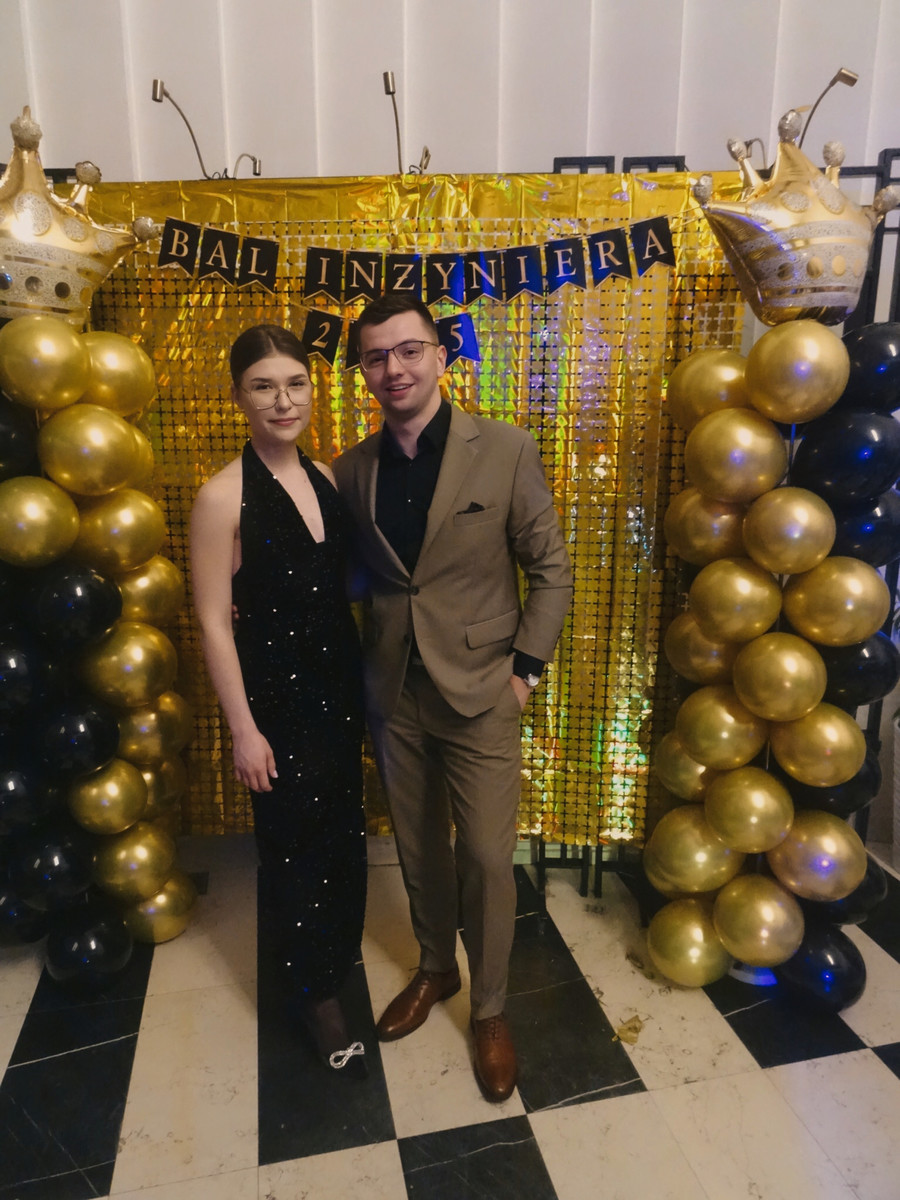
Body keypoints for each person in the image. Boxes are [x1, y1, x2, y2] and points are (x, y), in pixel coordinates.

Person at [334, 293, 572, 1101]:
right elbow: (359, 577)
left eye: (409, 350)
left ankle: (491, 1008)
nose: (393, 368)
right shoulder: (351, 470)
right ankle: (436, 967)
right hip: (393, 691)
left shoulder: (503, 449)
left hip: (481, 690)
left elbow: (551, 569)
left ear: (440, 356)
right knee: (418, 848)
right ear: (363, 372)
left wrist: (524, 673)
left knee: (486, 859)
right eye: (376, 357)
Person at [190, 325, 367, 1077]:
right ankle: (313, 996)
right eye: (264, 386)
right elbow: (210, 619)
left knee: (340, 833)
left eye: (295, 383)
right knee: (293, 848)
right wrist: (243, 730)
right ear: (239, 396)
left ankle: (335, 957)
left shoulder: (326, 475)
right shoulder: (219, 496)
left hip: (340, 686)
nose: (282, 400)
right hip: (276, 699)